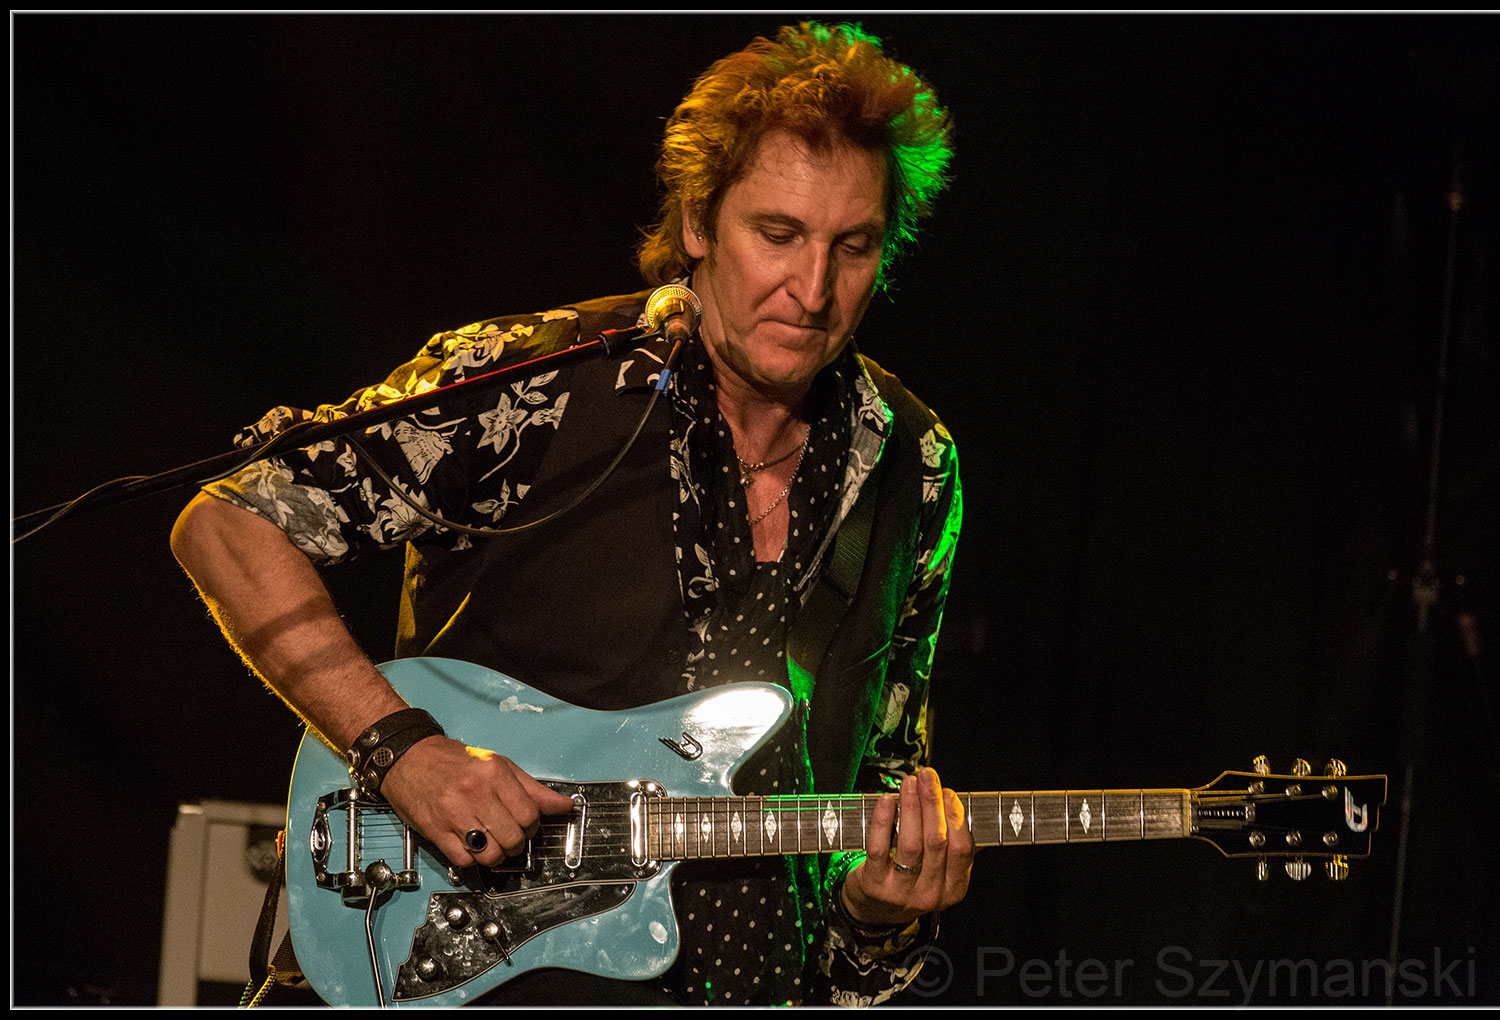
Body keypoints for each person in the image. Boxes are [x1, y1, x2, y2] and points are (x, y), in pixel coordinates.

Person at [172, 21, 970, 1006]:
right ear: (698, 222)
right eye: (778, 235)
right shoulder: (535, 384)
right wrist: (398, 747)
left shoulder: (912, 462)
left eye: (852, 247)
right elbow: (231, 523)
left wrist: (879, 911)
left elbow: (878, 785)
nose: (813, 289)